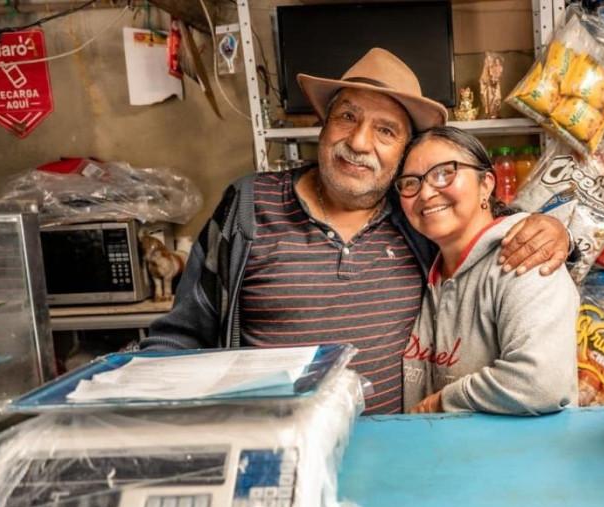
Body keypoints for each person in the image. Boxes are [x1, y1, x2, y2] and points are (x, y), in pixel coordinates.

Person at [140, 48, 571, 415]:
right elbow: (181, 334)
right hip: (270, 451)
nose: (360, 142)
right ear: (323, 126)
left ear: (403, 154)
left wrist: (558, 232)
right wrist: (137, 404)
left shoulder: (414, 216)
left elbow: (487, 219)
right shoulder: (250, 205)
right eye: (348, 117)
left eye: (386, 130)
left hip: (397, 457)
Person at [398, 127, 578, 415]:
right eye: (410, 182)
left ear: (486, 184)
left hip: (512, 458)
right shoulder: (425, 261)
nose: (426, 192)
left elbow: (542, 382)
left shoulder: (524, 256)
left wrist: (441, 402)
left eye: (444, 173)